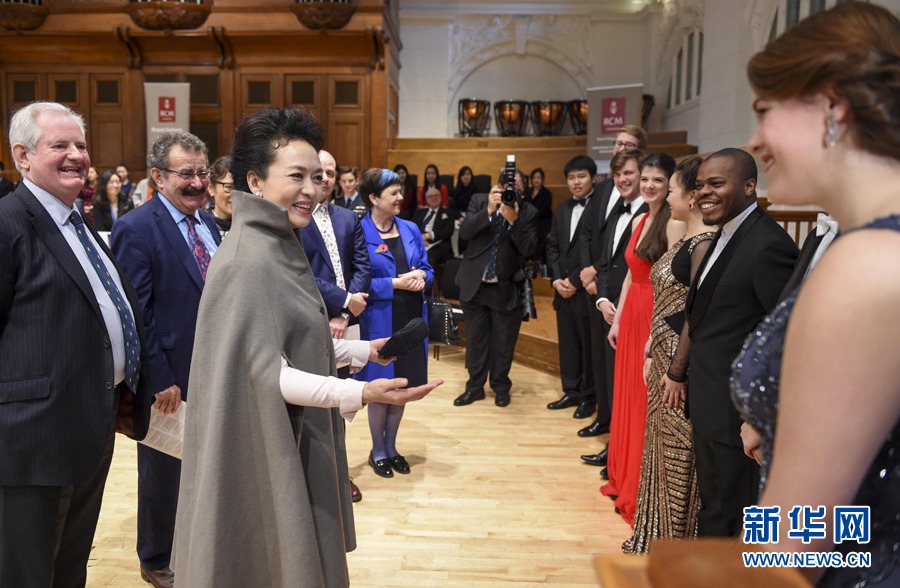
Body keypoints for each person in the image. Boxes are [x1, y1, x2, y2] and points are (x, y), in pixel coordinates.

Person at [173, 107, 440, 587]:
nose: (312, 190)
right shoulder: (246, 260)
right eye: (296, 176)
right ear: (254, 181)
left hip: (290, 436)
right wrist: (361, 394)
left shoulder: (279, 242)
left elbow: (286, 343)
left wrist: (364, 353)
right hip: (262, 448)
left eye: (317, 177)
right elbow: (267, 375)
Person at [731, 4, 900, 584]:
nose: (755, 139)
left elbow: (803, 527)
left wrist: (756, 561)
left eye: (764, 110)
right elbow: (857, 513)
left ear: (833, 105)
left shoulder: (869, 266)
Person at [0, 101, 152, 586]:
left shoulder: (80, 224)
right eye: (59, 146)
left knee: (69, 566)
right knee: (27, 571)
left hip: (91, 427)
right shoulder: (7, 223)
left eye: (81, 145)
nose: (76, 156)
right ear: (23, 157)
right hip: (31, 440)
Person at [660, 148, 796, 539]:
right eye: (700, 184)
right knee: (715, 508)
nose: (705, 192)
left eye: (716, 183)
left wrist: (759, 417)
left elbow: (786, 337)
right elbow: (706, 317)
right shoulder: (723, 234)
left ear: (750, 186)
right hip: (709, 402)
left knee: (733, 518)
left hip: (737, 413)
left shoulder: (769, 245)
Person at [111, 131, 221, 588]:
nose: (197, 183)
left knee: (204, 465)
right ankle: (156, 557)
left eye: (203, 173)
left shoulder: (209, 223)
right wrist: (159, 376)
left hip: (215, 366)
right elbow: (137, 312)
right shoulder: (136, 228)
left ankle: (197, 543)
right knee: (164, 470)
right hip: (170, 375)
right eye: (186, 174)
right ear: (157, 175)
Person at [624, 155, 714, 553]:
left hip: (677, 361)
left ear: (691, 197)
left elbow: (696, 311)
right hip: (660, 352)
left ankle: (675, 541)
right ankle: (653, 534)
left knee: (677, 454)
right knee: (658, 448)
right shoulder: (689, 237)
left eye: (673, 187)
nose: (669, 195)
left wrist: (676, 366)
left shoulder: (702, 243)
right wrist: (650, 346)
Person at [600, 153, 676, 525]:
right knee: (627, 395)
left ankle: (639, 486)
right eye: (645, 178)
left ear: (671, 184)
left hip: (654, 313)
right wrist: (617, 317)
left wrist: (655, 330)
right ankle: (623, 475)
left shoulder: (673, 223)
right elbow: (632, 273)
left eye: (657, 180)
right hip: (631, 315)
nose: (648, 185)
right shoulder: (642, 217)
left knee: (644, 402)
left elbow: (673, 283)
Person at [356, 167, 433, 477]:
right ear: (374, 198)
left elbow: (429, 270)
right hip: (379, 322)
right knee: (382, 388)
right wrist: (393, 284)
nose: (401, 197)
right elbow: (357, 283)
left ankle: (392, 447)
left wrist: (421, 276)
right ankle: (378, 449)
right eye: (393, 192)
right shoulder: (359, 232)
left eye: (400, 191)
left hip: (412, 319)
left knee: (403, 387)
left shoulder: (411, 228)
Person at [578, 126, 648, 444]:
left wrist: (619, 306)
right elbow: (606, 261)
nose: (622, 180)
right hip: (608, 305)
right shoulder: (615, 205)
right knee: (608, 378)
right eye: (618, 174)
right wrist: (603, 299)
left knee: (628, 387)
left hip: (635, 310)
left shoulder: (651, 213)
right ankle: (611, 439)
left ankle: (619, 449)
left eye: (629, 173)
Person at [453, 168, 538, 408]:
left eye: (517, 186)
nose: (511, 190)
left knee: (503, 343)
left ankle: (500, 386)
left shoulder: (529, 212)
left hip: (505, 286)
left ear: (524, 188)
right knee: (476, 341)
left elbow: (529, 249)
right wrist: (489, 211)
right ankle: (475, 387)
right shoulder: (480, 200)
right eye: (506, 185)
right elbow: (466, 233)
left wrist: (515, 222)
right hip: (474, 284)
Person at [545, 155, 597, 420]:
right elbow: (553, 247)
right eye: (571, 177)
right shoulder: (563, 208)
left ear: (593, 178)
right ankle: (571, 391)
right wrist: (556, 280)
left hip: (586, 289)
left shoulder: (599, 207)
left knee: (588, 345)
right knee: (568, 345)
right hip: (562, 288)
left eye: (581, 176)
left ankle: (588, 397)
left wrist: (575, 282)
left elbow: (596, 251)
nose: (576, 182)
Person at [413, 181, 458, 286]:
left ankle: (429, 288)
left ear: (441, 197)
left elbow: (448, 231)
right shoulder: (420, 212)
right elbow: (412, 228)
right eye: (430, 196)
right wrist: (420, 239)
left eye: (436, 195)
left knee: (429, 258)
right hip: (420, 243)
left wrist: (428, 235)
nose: (433, 198)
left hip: (438, 245)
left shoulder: (448, 213)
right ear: (426, 199)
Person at [525, 167, 553, 256]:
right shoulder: (527, 191)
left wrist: (532, 213)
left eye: (539, 177)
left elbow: (545, 211)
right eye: (534, 177)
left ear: (542, 179)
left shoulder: (547, 193)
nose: (536, 180)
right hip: (529, 222)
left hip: (542, 223)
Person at [207, 155, 233, 239]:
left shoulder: (247, 225)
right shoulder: (203, 225)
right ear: (211, 188)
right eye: (228, 187)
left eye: (239, 188)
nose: (235, 194)